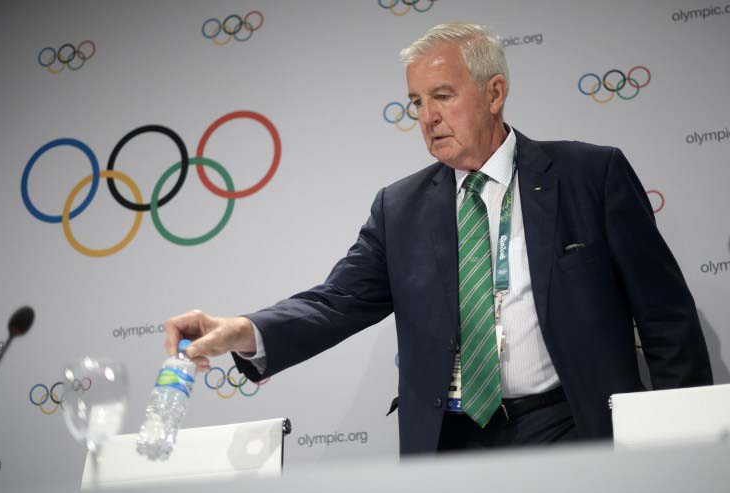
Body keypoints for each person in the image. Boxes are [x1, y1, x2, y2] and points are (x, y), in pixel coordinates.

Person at [164, 23, 713, 455]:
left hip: (570, 425)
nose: (427, 118)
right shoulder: (399, 208)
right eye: (417, 103)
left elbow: (666, 318)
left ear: (494, 92)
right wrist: (241, 329)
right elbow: (336, 302)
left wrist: (683, 441)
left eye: (443, 97)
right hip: (450, 441)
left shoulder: (591, 176)